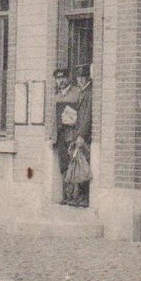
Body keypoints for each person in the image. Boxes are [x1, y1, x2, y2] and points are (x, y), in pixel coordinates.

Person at [50, 66, 79, 204]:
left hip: (72, 135)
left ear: (69, 79)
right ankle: (66, 195)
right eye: (58, 79)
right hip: (60, 136)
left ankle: (75, 195)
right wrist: (52, 136)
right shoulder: (56, 97)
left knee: (75, 164)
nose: (61, 81)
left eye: (63, 78)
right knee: (64, 165)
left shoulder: (76, 94)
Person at [70, 64, 93, 207]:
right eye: (78, 77)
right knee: (79, 163)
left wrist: (82, 135)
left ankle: (85, 196)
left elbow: (87, 116)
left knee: (84, 165)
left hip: (85, 136)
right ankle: (79, 196)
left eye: (82, 77)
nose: (80, 80)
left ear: (87, 78)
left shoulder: (89, 93)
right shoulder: (81, 92)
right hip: (78, 133)